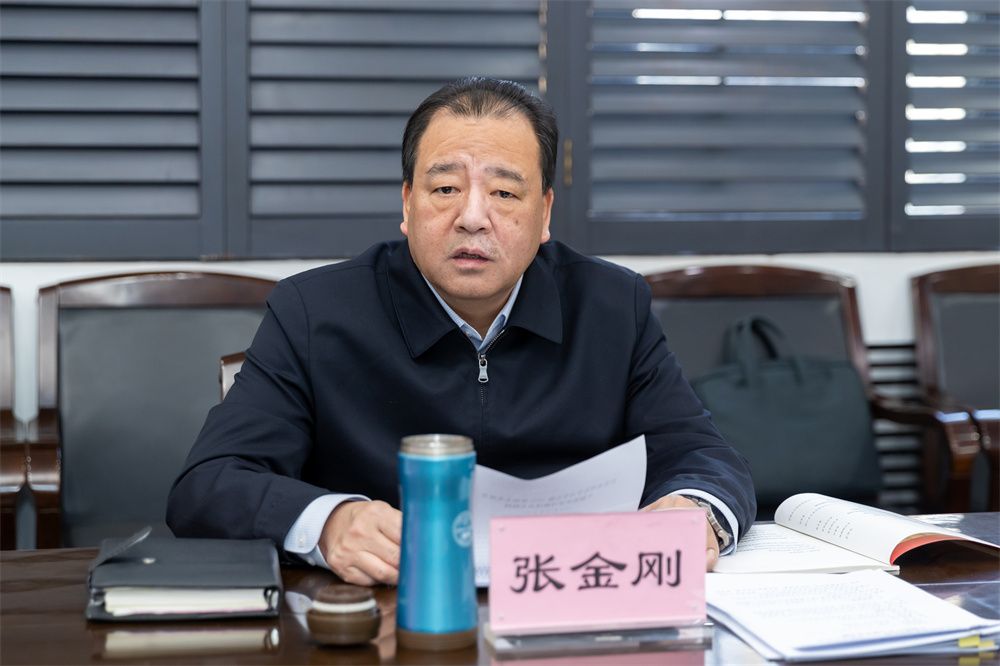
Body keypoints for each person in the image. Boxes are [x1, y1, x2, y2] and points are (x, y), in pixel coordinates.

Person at [167, 77, 755, 586]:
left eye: (504, 193)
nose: (473, 217)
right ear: (407, 203)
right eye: (445, 188)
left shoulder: (612, 305)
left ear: (545, 213)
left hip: (572, 604)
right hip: (385, 611)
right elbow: (210, 483)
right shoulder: (313, 311)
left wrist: (695, 511)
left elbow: (702, 454)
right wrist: (330, 522)